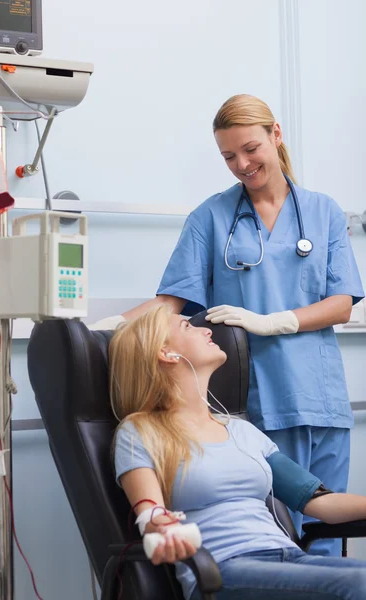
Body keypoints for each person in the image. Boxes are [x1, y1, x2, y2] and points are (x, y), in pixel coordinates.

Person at [91, 94, 365, 556]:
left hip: (321, 396)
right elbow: (170, 301)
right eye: (228, 156)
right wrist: (102, 328)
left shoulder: (324, 212)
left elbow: (341, 304)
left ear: (276, 135)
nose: (241, 164)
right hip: (257, 397)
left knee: (325, 535)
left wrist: (273, 321)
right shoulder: (211, 217)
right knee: (275, 535)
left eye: (250, 149)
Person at [110, 306, 366, 600]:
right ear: (166, 354)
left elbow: (320, 502)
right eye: (187, 328)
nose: (206, 329)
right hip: (223, 571)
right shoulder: (140, 431)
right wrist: (163, 529)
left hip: (290, 560)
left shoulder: (242, 431)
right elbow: (151, 513)